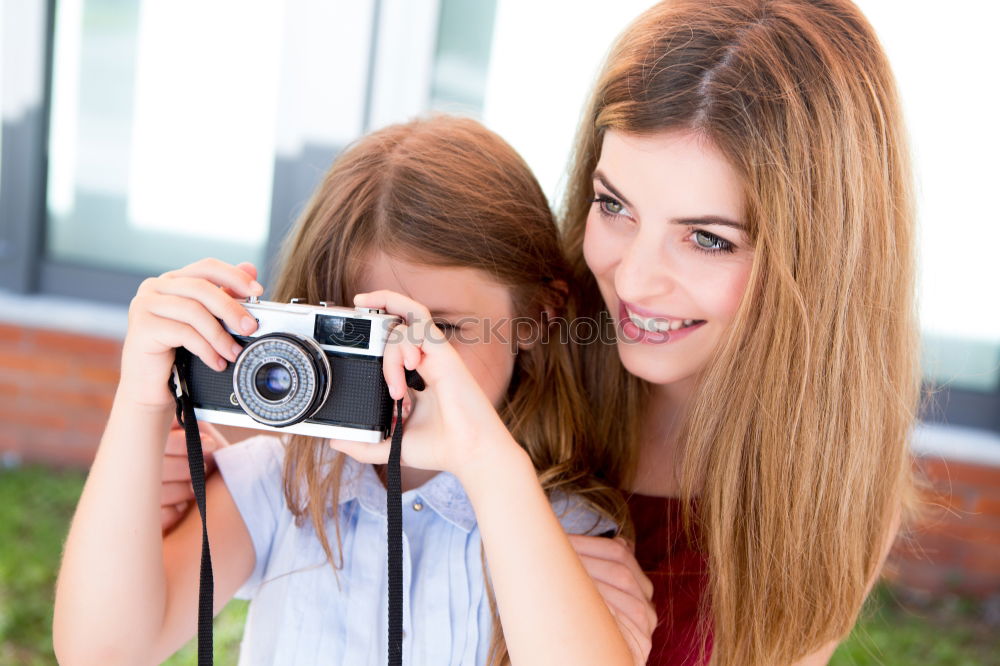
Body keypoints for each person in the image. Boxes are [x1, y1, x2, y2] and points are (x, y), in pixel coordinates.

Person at [53, 116, 655, 665]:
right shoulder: (289, 483)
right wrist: (142, 402)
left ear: (535, 319)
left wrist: (489, 466)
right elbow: (103, 650)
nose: (405, 365)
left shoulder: (557, 527)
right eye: (367, 335)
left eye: (439, 330)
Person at [560, 0, 920, 664]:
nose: (634, 281)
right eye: (613, 205)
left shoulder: (832, 485)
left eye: (706, 239)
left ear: (818, 262)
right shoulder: (511, 362)